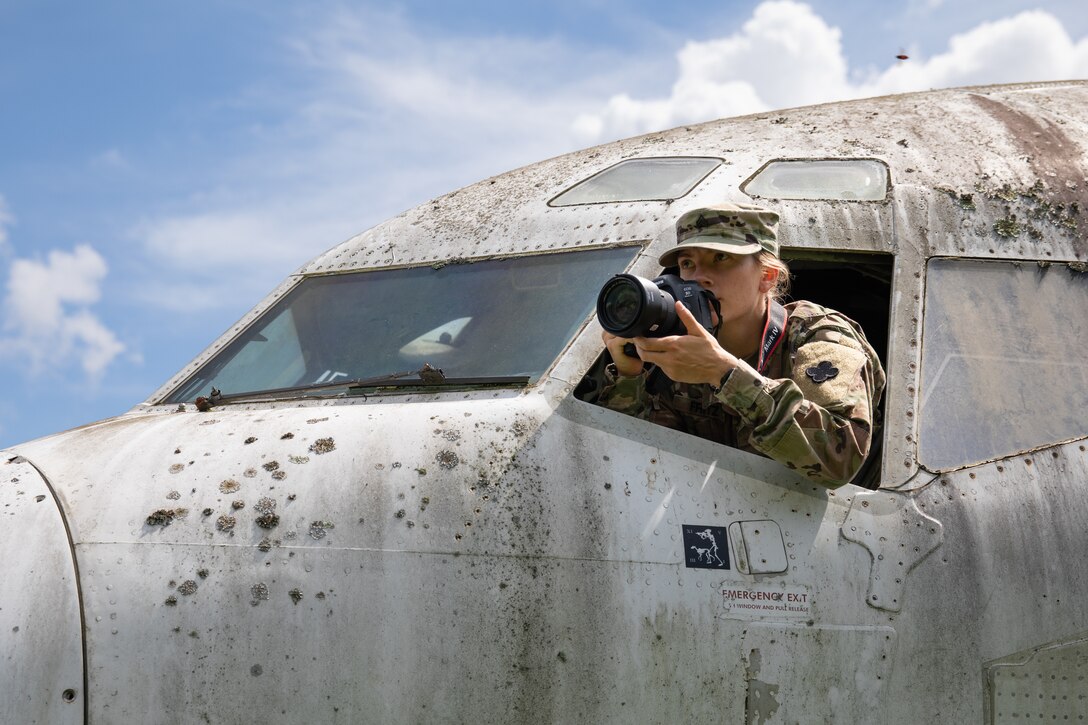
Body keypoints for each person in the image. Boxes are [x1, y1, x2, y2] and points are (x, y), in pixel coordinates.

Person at [594, 202, 885, 489]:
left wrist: (724, 373)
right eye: (687, 264)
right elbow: (643, 465)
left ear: (767, 276)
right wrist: (628, 378)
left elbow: (841, 458)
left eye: (720, 258)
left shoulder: (818, 334)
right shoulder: (679, 344)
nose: (698, 277)